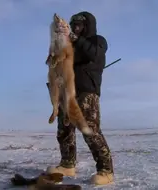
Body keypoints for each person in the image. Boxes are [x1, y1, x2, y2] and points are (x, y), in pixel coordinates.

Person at [46, 11, 114, 185]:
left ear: (87, 26)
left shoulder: (97, 41)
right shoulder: (69, 43)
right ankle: (67, 164)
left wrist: (77, 39)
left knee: (89, 129)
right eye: (74, 25)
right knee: (64, 130)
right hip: (65, 92)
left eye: (80, 25)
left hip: (86, 91)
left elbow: (94, 55)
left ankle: (106, 170)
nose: (76, 28)